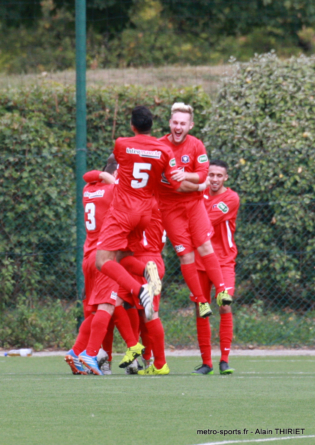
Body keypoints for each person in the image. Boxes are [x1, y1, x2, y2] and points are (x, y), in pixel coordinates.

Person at [65, 158, 144, 375]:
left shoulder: (89, 190)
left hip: (88, 255)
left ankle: (75, 352)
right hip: (105, 257)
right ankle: (91, 354)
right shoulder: (116, 192)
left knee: (95, 312)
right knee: (108, 306)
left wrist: (104, 176)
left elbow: (88, 175)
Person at [158, 103, 231, 319]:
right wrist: (195, 183)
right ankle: (200, 301)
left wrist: (188, 176)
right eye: (175, 123)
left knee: (205, 245)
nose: (178, 127)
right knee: (185, 255)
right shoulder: (160, 146)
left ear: (190, 125)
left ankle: (221, 290)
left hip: (194, 206)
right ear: (170, 123)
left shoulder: (197, 145)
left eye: (183, 123)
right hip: (169, 209)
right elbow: (174, 185)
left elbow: (202, 176)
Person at [191, 160, 240, 375]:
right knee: (202, 311)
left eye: (219, 175)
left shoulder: (230, 198)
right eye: (211, 175)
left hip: (223, 261)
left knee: (224, 305)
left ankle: (224, 360)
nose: (214, 179)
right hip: (199, 262)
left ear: (225, 178)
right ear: (206, 175)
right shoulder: (197, 195)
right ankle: (207, 363)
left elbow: (203, 221)